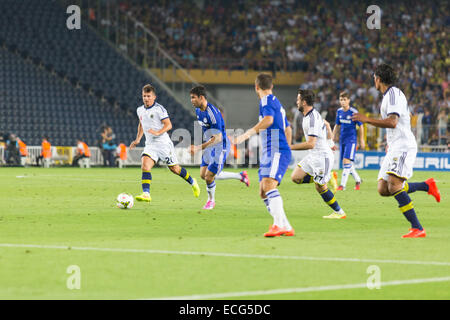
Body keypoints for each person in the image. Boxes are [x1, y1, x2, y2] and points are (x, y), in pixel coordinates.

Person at [352, 64, 441, 238]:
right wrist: (389, 142)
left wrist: (367, 120)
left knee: (394, 184)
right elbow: (394, 125)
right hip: (394, 146)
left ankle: (417, 228)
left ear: (379, 78)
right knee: (383, 188)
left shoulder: (393, 94)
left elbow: (393, 122)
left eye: (374, 78)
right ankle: (426, 185)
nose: (373, 81)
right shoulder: (388, 96)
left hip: (403, 145)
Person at [233, 73, 294, 237]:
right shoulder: (277, 103)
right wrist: (287, 148)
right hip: (272, 151)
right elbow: (288, 128)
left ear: (256, 87)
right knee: (263, 191)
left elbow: (268, 120)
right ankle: (285, 225)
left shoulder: (266, 100)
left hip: (276, 150)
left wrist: (246, 135)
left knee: (268, 186)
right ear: (271, 86)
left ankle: (277, 225)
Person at [129, 84, 200, 202]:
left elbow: (169, 125)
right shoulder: (139, 110)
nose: (146, 98)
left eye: (148, 96)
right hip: (150, 145)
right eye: (144, 96)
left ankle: (193, 182)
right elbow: (141, 123)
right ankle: (146, 193)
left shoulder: (159, 109)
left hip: (163, 144)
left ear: (154, 97)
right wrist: (137, 139)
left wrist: (158, 132)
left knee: (175, 169)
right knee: (145, 165)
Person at [189, 85, 250, 210]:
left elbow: (218, 138)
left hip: (220, 146)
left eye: (193, 98)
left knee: (209, 176)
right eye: (191, 98)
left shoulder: (213, 114)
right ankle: (241, 176)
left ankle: (211, 201)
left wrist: (198, 147)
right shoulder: (198, 110)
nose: (191, 100)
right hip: (210, 145)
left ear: (201, 97)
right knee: (203, 175)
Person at [290, 89, 347, 219]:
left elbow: (310, 144)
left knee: (320, 187)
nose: (297, 102)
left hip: (322, 157)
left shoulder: (311, 119)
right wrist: (330, 141)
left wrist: (290, 147)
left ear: (304, 102)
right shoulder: (311, 115)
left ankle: (339, 212)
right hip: (313, 156)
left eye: (298, 99)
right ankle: (328, 177)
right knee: (296, 177)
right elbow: (326, 124)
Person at [332, 91, 365, 191]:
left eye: (344, 100)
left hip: (351, 140)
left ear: (349, 100)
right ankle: (358, 180)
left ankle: (342, 185)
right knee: (346, 163)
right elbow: (337, 125)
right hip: (342, 140)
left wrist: (362, 140)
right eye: (341, 100)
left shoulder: (353, 112)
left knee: (346, 161)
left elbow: (361, 126)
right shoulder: (339, 112)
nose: (342, 102)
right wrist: (333, 137)